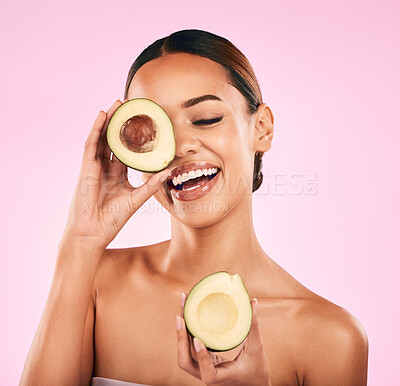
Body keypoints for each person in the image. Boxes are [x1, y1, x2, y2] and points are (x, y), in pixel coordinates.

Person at [20, 29, 368, 386]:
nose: (178, 147)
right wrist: (79, 243)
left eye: (206, 119)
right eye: (151, 130)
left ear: (261, 128)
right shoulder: (95, 282)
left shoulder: (331, 337)